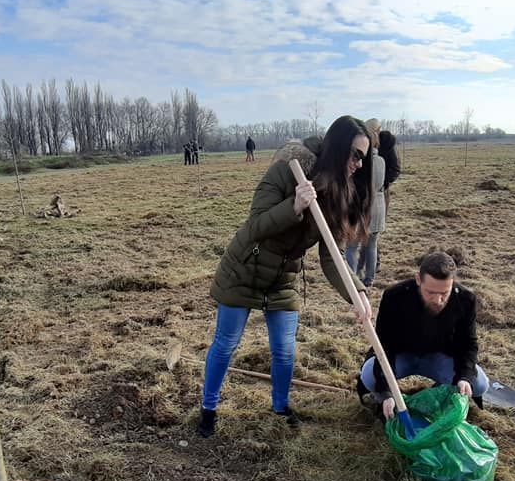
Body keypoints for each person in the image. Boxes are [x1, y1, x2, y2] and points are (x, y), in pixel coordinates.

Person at [199, 115, 375, 437]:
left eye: (364, 157)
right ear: (337, 149)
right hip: (244, 271)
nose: (359, 164)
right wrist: (294, 205)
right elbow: (255, 227)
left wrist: (358, 292)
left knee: (285, 349)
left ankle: (280, 407)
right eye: (356, 154)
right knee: (226, 344)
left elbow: (332, 257)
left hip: (282, 279)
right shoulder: (286, 170)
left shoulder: (337, 193)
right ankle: (208, 410)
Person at [356, 250, 490, 419]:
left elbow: (468, 344)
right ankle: (385, 400)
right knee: (369, 377)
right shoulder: (395, 296)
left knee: (478, 384)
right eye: (431, 293)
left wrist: (464, 377)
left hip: (439, 357)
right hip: (401, 356)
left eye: (444, 293)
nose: (437, 300)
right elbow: (384, 344)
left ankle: (441, 392)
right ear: (418, 279)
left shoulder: (466, 299)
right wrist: (386, 391)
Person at [345, 120, 385, 286]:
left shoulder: (361, 162)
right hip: (378, 206)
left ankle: (352, 280)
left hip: (361, 207)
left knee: (351, 247)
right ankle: (369, 279)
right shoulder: (382, 161)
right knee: (371, 246)